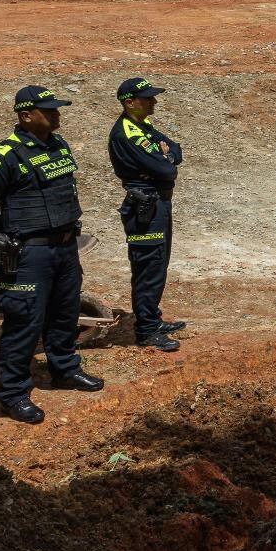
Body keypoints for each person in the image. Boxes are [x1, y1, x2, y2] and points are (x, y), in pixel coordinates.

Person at [0, 86, 104, 424]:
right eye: (49, 110)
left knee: (64, 313)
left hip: (65, 247)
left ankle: (65, 371)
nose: (57, 114)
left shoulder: (59, 146)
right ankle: (13, 394)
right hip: (30, 253)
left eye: (56, 109)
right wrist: (3, 232)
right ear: (26, 115)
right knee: (24, 323)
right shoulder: (4, 155)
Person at [108, 78, 184, 352]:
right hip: (146, 207)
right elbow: (168, 170)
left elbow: (176, 150)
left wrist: (168, 155)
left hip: (158, 204)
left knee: (159, 264)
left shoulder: (143, 126)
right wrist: (165, 161)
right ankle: (147, 331)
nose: (154, 102)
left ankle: (152, 318)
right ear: (130, 102)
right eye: (148, 98)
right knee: (148, 267)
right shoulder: (126, 133)